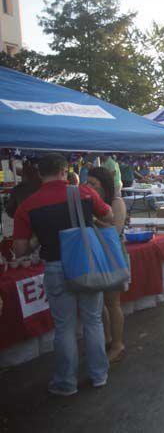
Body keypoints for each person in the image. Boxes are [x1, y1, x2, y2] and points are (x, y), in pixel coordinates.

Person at [13, 153, 114, 396]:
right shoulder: (84, 193)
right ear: (64, 171)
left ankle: (66, 383)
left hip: (55, 267)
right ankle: (99, 375)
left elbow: (20, 249)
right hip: (85, 263)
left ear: (39, 174)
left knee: (64, 327)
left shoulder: (28, 205)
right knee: (93, 320)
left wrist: (40, 236)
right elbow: (109, 216)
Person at [87, 167, 128, 363]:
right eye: (88, 183)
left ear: (104, 185)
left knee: (113, 303)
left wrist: (93, 220)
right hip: (96, 255)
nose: (89, 186)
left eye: (93, 183)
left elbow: (116, 228)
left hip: (112, 256)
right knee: (101, 302)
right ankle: (107, 338)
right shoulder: (94, 204)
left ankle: (118, 344)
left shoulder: (116, 202)